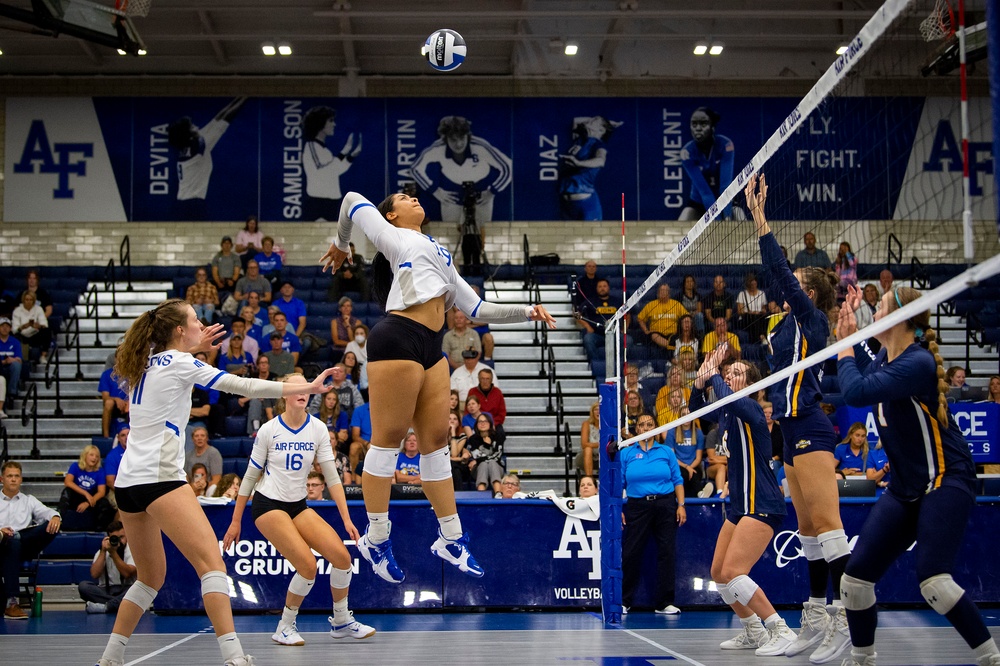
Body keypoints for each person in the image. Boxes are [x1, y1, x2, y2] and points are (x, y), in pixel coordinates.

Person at [320, 189, 555, 584]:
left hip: (432, 346)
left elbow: (477, 309)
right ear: (391, 216)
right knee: (388, 440)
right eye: (402, 197)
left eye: (412, 195)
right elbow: (348, 199)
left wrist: (527, 311)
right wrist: (342, 244)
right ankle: (376, 537)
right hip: (398, 336)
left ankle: (451, 537)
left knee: (435, 444)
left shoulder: (439, 252)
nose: (412, 197)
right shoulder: (391, 236)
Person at [96, 297, 335, 666]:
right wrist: (301, 389)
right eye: (194, 320)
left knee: (149, 579)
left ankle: (110, 659)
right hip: (160, 479)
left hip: (128, 483)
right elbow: (243, 387)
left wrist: (196, 349)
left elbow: (174, 364)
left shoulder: (143, 362)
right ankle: (234, 657)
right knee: (212, 565)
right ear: (179, 330)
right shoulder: (180, 362)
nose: (200, 323)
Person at [834, 285, 1000, 666]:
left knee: (934, 582)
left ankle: (991, 658)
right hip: (906, 488)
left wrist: (844, 343)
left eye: (882, 306)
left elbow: (855, 392)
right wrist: (850, 330)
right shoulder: (885, 358)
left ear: (900, 318)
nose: (874, 310)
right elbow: (861, 368)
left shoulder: (918, 363)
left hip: (947, 479)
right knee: (855, 582)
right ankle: (862, 659)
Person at [745, 172, 851, 663]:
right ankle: (814, 617)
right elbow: (776, 281)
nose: (790, 289)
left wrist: (761, 219)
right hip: (788, 431)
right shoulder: (786, 323)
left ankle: (849, 622)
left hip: (811, 428)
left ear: (811, 295)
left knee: (829, 529)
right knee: (808, 534)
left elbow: (781, 274)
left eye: (799, 287)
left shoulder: (814, 321)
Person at [223, 374, 374, 647]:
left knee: (342, 558)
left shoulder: (317, 428)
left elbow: (333, 478)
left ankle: (341, 621)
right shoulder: (269, 429)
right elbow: (249, 477)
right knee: (307, 565)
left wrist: (347, 518)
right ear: (285, 394)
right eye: (295, 386)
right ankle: (285, 626)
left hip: (297, 504)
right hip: (268, 504)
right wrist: (236, 521)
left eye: (305, 385)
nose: (302, 390)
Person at [691, 346, 795, 655]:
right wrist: (700, 383)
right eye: (727, 373)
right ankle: (753, 631)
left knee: (735, 572)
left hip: (762, 502)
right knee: (720, 573)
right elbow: (696, 410)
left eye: (735, 373)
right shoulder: (726, 412)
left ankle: (780, 628)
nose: (727, 376)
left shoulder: (750, 408)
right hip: (740, 504)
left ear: (750, 383)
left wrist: (714, 373)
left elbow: (727, 397)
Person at [620, 413, 686, 615]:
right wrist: (618, 509)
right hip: (637, 506)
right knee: (631, 552)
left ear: (656, 428)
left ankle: (664, 602)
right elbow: (618, 484)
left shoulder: (666, 451)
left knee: (667, 552)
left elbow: (677, 479)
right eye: (642, 425)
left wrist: (681, 505)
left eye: (650, 425)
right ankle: (624, 600)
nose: (646, 428)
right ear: (636, 429)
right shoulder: (626, 453)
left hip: (665, 504)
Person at [410, 115, 513, 230]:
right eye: (453, 140)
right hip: (451, 197)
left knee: (482, 229)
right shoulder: (438, 147)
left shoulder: (479, 146)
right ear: (445, 138)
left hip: (481, 196)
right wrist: (434, 190)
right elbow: (415, 168)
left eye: (462, 138)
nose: (458, 144)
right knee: (451, 231)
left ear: (467, 136)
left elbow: (507, 167)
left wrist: (492, 191)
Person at [166, 97, 247, 218]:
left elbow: (217, 118)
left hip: (182, 203)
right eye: (193, 127)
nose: (197, 126)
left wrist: (241, 96)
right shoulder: (199, 146)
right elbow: (227, 119)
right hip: (193, 203)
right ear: (189, 135)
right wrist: (246, 98)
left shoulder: (190, 145)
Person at [0, 460, 61, 619]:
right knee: (10, 539)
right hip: (1, 545)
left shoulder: (29, 500)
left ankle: (12, 603)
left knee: (51, 525)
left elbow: (47, 512)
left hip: (25, 545)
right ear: (2, 479)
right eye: (9, 476)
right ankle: (12, 603)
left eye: (16, 476)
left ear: (21, 479)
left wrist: (55, 516)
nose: (13, 479)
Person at [301, 105, 363, 221]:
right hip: (318, 203)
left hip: (332, 202)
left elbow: (335, 171)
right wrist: (344, 151)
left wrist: (351, 156)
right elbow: (324, 171)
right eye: (330, 121)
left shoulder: (325, 151)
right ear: (320, 123)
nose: (334, 124)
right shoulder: (311, 147)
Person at [558, 115, 622, 220]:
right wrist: (607, 121)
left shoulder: (598, 146)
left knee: (591, 236)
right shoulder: (579, 139)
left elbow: (600, 161)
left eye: (594, 121)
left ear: (601, 130)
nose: (590, 120)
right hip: (567, 204)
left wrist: (578, 163)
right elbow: (576, 120)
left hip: (586, 205)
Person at [679, 106, 736, 222]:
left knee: (739, 215)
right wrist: (718, 222)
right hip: (699, 201)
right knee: (684, 217)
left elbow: (725, 186)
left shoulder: (726, 145)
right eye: (694, 124)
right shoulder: (686, 153)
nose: (698, 128)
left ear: (712, 127)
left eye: (703, 124)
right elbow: (704, 191)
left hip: (725, 198)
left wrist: (727, 218)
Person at [79, 521, 136, 615]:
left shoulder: (132, 550)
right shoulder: (103, 550)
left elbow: (127, 573)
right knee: (84, 586)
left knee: (136, 590)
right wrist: (103, 551)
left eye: (121, 537)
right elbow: (94, 574)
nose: (119, 541)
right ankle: (116, 605)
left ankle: (106, 606)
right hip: (106, 590)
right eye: (115, 538)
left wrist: (113, 553)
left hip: (126, 589)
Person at [59, 444, 114, 531]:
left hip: (92, 498)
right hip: (78, 495)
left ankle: (99, 531)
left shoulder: (100, 471)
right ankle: (59, 522)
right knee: (67, 492)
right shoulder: (75, 466)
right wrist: (85, 494)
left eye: (97, 456)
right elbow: (67, 482)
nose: (94, 458)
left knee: (104, 503)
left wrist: (88, 502)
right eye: (91, 455)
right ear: (85, 455)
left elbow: (101, 492)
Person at [663, 406, 705, 497]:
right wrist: (687, 467)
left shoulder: (698, 433)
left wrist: (690, 467)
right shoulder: (672, 432)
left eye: (689, 414)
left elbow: (698, 458)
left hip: (694, 465)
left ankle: (701, 495)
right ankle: (700, 493)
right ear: (680, 417)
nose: (687, 417)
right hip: (678, 464)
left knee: (693, 473)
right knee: (683, 474)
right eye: (684, 415)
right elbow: (672, 457)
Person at [636, 283, 688, 351]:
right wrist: (646, 330)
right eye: (661, 291)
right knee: (654, 336)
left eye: (665, 291)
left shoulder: (676, 304)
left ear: (669, 293)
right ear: (658, 293)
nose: (663, 293)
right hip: (657, 334)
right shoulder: (651, 305)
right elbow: (640, 318)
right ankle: (673, 347)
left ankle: (672, 346)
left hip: (673, 334)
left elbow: (686, 317)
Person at [576, 278, 618, 361]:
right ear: (596, 288)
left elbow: (627, 315)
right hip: (597, 334)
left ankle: (618, 362)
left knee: (628, 340)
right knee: (588, 339)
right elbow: (577, 315)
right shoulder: (590, 301)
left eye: (604, 286)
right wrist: (587, 326)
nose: (602, 288)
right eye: (600, 286)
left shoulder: (617, 301)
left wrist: (623, 328)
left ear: (609, 287)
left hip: (615, 334)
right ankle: (596, 363)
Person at [467, 413, 505, 494]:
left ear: (490, 424)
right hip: (478, 468)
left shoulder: (498, 436)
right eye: (480, 422)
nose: (482, 423)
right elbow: (476, 456)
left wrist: (480, 459)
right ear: (476, 425)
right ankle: (481, 495)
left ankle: (498, 494)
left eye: (485, 421)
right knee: (483, 464)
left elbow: (497, 456)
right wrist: (487, 445)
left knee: (491, 463)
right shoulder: (473, 439)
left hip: (497, 466)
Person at [12, 291, 51, 362]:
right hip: (22, 335)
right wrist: (23, 327)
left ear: (34, 300)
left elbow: (44, 324)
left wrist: (38, 326)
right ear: (23, 300)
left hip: (35, 334)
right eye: (27, 300)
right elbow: (14, 329)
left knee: (47, 331)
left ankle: (43, 356)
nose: (29, 302)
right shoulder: (17, 311)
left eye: (31, 300)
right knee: (14, 335)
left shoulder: (39, 309)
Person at [736, 272, 773, 342]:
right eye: (751, 284)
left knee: (763, 318)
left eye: (754, 284)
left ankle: (760, 338)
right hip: (747, 318)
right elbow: (740, 311)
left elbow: (764, 308)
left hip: (759, 317)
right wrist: (751, 312)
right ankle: (762, 337)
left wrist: (762, 311)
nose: (753, 286)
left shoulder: (761, 293)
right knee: (753, 319)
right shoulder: (742, 294)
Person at [185, 427, 223, 492]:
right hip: (192, 489)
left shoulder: (214, 453)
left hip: (209, 489)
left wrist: (205, 489)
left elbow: (217, 479)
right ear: (192, 439)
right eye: (196, 436)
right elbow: (186, 478)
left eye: (202, 436)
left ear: (207, 438)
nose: (199, 438)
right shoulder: (188, 456)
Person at [0, 318, 24, 408]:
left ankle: (11, 394)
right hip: (0, 366)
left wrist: (11, 360)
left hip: (10, 367)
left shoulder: (15, 342)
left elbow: (19, 359)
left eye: (7, 326)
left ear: (10, 329)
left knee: (16, 365)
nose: (5, 328)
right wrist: (4, 361)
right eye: (2, 326)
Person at [576, 401, 601, 477]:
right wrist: (600, 444)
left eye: (600, 409)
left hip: (601, 456)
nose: (598, 412)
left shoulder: (607, 426)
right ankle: (589, 479)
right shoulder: (586, 424)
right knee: (588, 449)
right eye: (596, 409)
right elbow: (584, 444)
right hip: (585, 457)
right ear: (592, 412)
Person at [448, 412, 471, 490]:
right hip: (447, 465)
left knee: (454, 466)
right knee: (453, 467)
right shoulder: (440, 437)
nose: (452, 421)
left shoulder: (462, 436)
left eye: (455, 419)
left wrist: (453, 433)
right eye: (449, 419)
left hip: (459, 466)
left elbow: (454, 454)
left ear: (458, 422)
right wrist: (460, 458)